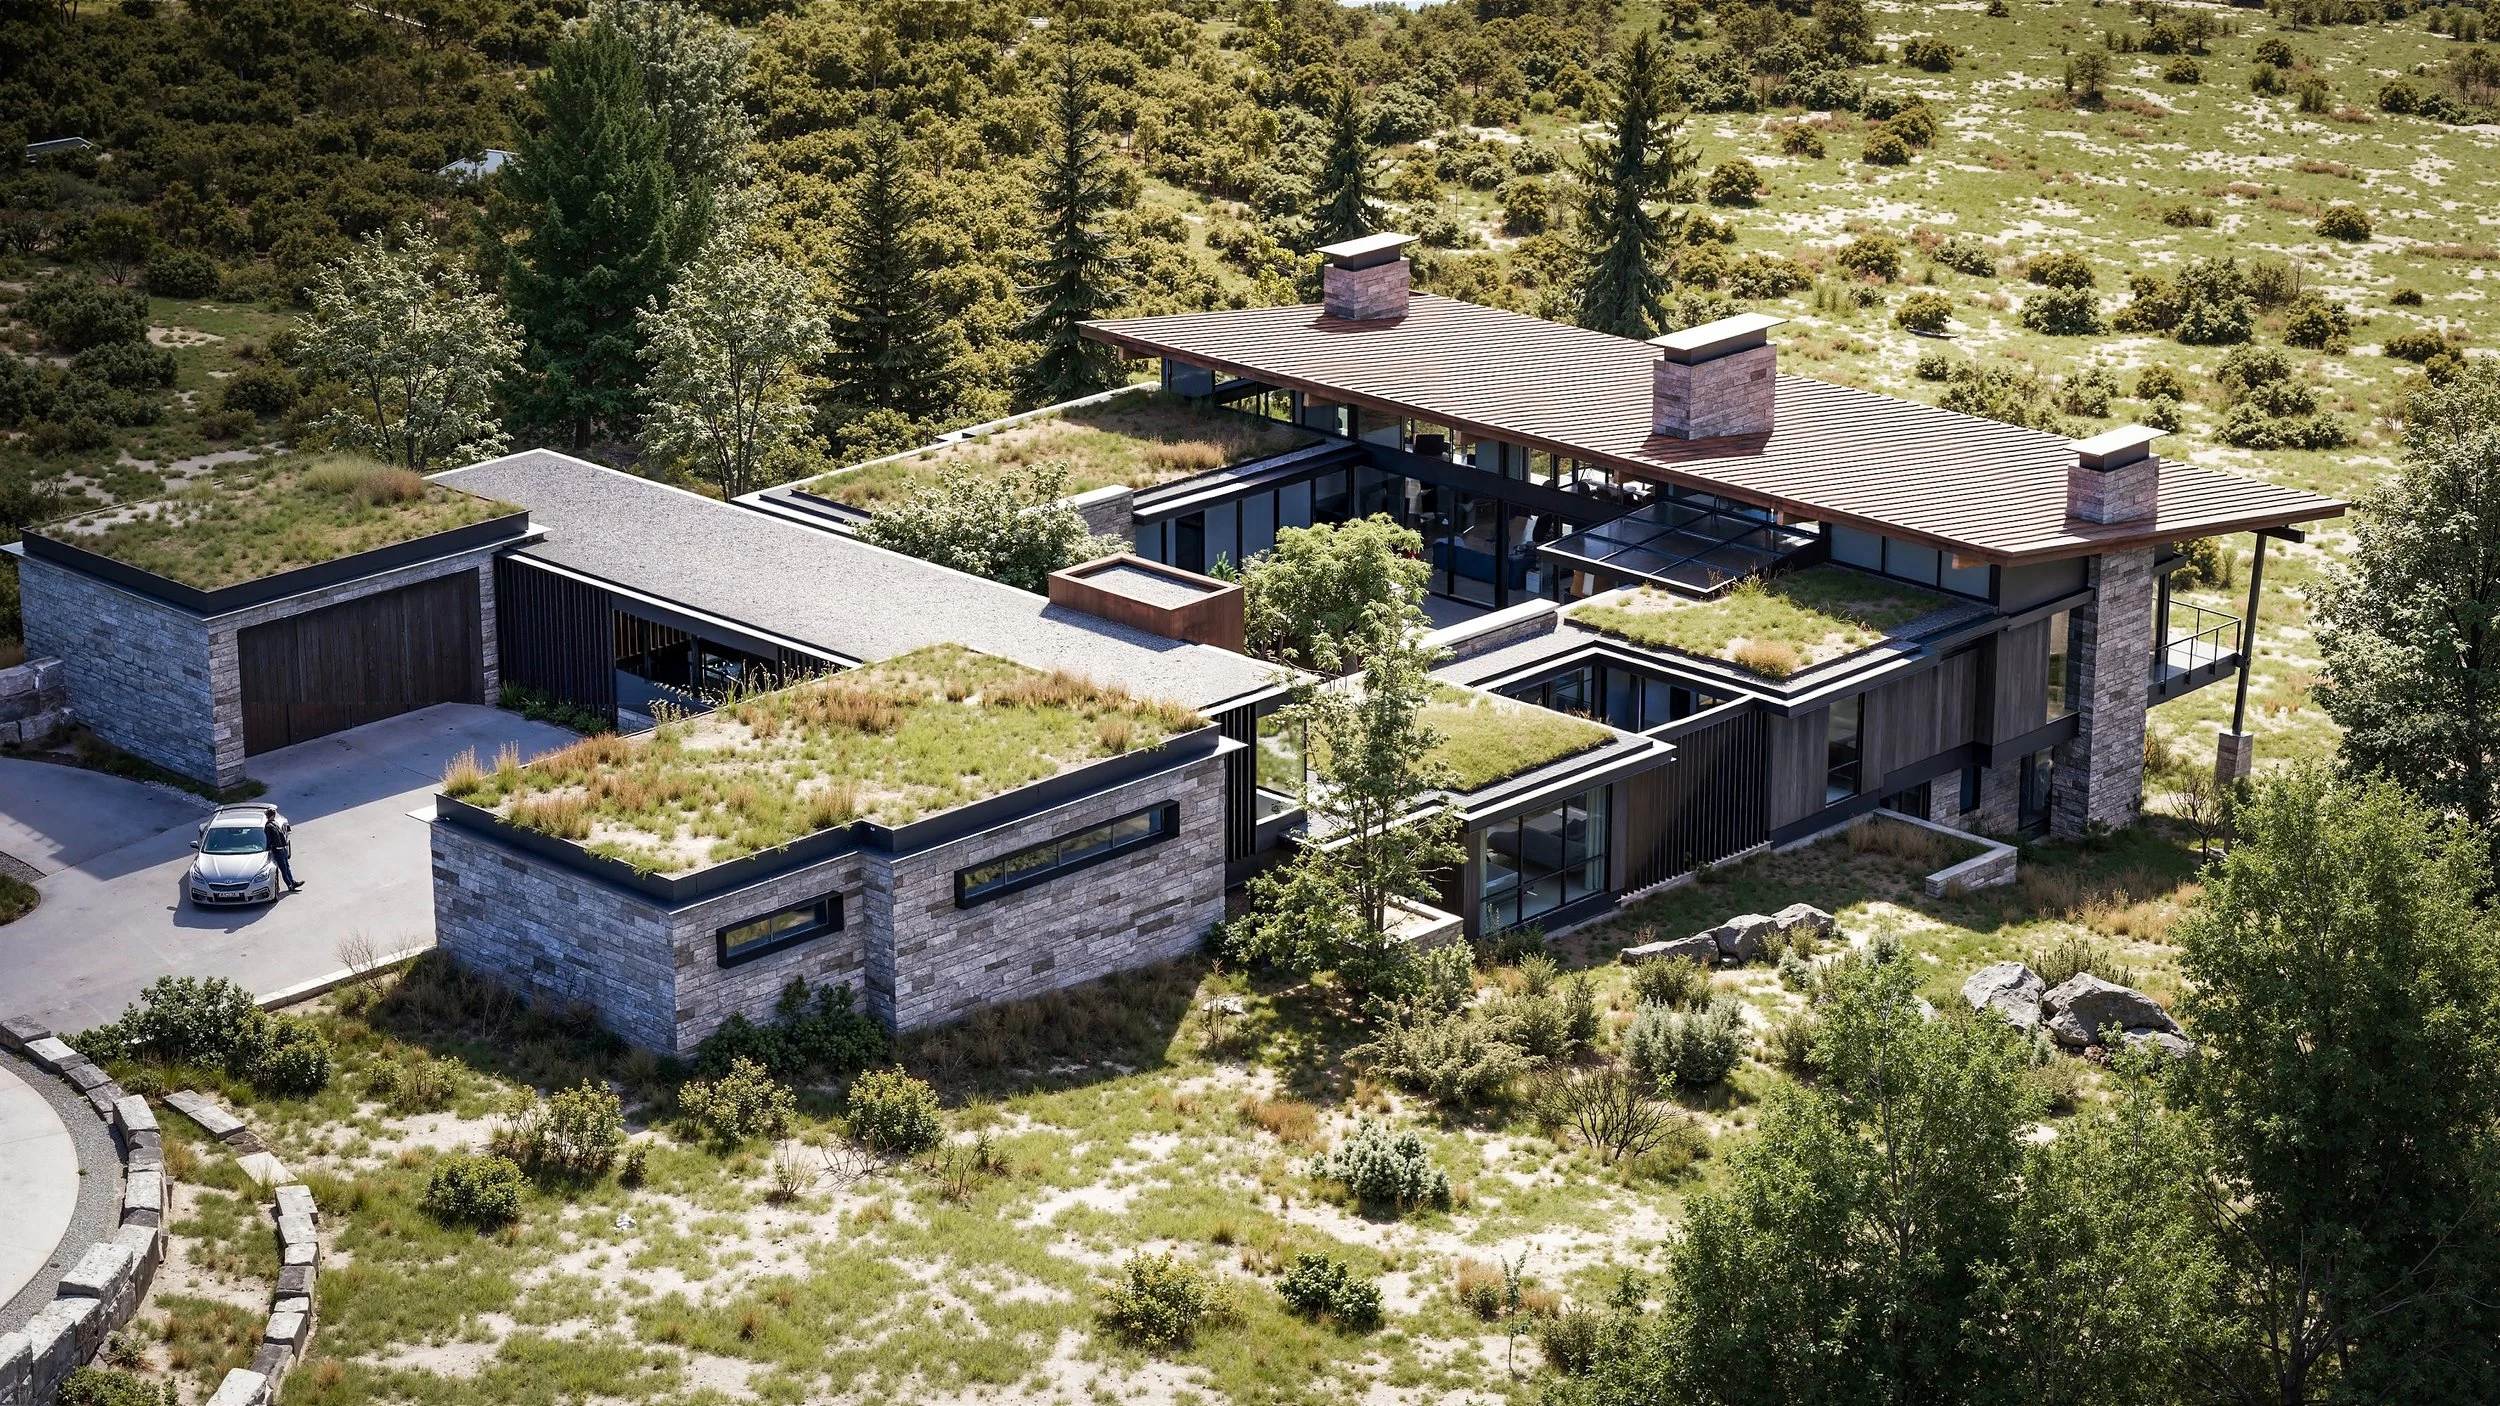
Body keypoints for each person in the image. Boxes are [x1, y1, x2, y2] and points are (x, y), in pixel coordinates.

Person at [264, 809, 301, 892]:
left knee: (287, 867)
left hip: (282, 849)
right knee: (283, 869)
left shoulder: (275, 823)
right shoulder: (268, 827)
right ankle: (290, 885)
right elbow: (269, 840)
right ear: (272, 815)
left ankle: (293, 882)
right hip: (277, 850)